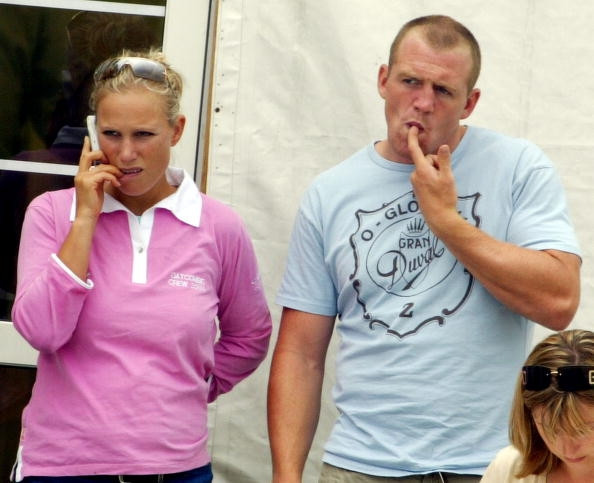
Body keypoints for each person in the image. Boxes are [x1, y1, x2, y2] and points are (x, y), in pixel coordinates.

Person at [267, 14, 581, 482]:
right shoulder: (329, 193)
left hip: (494, 464)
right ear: (382, 80)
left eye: (444, 91)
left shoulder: (517, 167)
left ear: (470, 102)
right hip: (362, 465)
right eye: (409, 81)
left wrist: (446, 221)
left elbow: (559, 302)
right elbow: (301, 354)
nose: (422, 102)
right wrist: (286, 476)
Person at [11, 50, 272, 482]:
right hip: (60, 467)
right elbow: (41, 331)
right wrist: (87, 218)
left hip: (176, 470)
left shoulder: (218, 225)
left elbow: (250, 335)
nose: (126, 153)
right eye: (111, 133)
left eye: (144, 134)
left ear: (177, 130)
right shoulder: (51, 213)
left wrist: (192, 387)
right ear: (93, 133)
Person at [481, 329, 594, 482]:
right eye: (550, 429)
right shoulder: (509, 468)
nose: (568, 450)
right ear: (529, 416)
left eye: (582, 430)